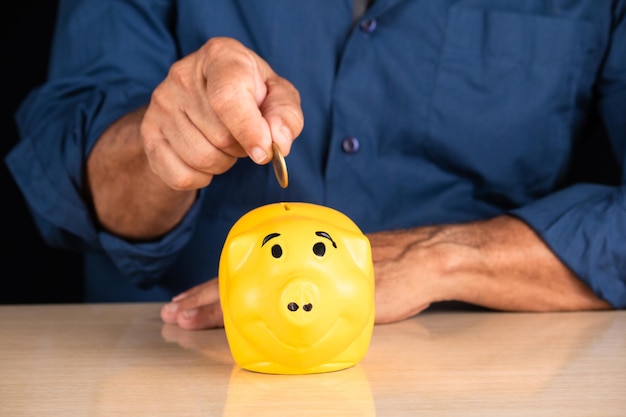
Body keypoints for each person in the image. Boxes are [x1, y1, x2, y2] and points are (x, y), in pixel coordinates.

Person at [6, 0, 625, 330]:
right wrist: (159, 145)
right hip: (180, 362)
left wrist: (447, 256)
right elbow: (69, 163)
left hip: (481, 371)